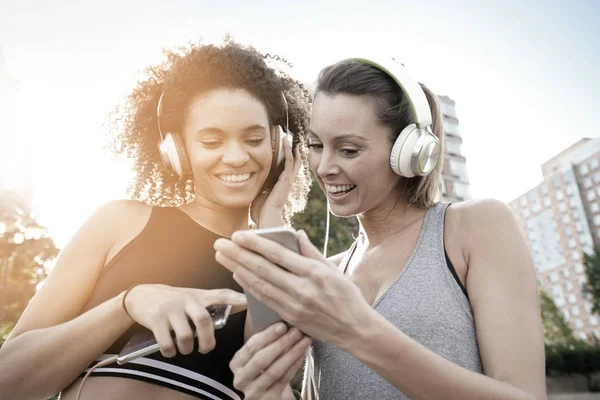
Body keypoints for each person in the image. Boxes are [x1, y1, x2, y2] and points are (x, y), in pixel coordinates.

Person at [213, 56, 546, 400]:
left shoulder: (476, 228)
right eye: (316, 145)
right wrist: (271, 218)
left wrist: (356, 330)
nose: (325, 167)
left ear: (409, 151)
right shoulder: (327, 275)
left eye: (348, 149)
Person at [0, 39, 312, 400]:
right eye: (211, 141)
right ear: (177, 151)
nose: (237, 156)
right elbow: (9, 380)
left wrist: (272, 221)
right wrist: (129, 304)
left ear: (279, 144)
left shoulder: (283, 259)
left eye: (254, 138)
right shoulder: (120, 223)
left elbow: (269, 387)